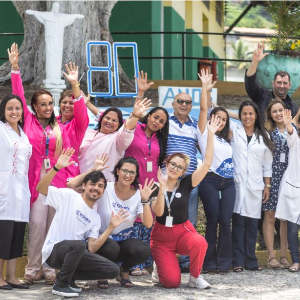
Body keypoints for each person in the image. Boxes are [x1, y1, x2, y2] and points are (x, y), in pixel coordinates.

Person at [8, 43, 75, 285]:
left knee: (54, 226)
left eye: (50, 104)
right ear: (34, 107)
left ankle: (49, 270)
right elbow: (17, 95)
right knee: (36, 226)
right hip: (36, 182)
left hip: (57, 181)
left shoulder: (61, 128)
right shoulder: (28, 124)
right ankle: (31, 270)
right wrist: (15, 68)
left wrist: (70, 182)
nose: (48, 107)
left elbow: (69, 156)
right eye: (42, 104)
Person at [136, 71, 207, 271]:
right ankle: (161, 261)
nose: (184, 105)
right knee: (160, 219)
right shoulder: (165, 124)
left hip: (189, 182)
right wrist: (140, 93)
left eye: (187, 102)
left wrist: (205, 88)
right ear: (173, 104)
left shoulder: (195, 125)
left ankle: (185, 262)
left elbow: (204, 109)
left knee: (187, 220)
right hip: (166, 182)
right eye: (180, 102)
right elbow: (139, 117)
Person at [36, 149, 127, 297]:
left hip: (75, 254)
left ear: (103, 191)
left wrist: (111, 227)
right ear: (84, 186)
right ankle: (61, 285)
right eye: (93, 184)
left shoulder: (95, 217)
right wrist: (56, 168)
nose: (96, 188)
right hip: (54, 252)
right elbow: (40, 188)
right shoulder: (69, 196)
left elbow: (92, 247)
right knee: (78, 244)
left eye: (100, 186)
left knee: (112, 270)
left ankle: (69, 278)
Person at [150, 114, 221, 289]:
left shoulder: (186, 183)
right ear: (167, 163)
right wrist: (161, 187)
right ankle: (159, 266)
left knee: (199, 242)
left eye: (180, 167)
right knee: (172, 283)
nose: (175, 168)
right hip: (162, 238)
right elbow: (159, 213)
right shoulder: (156, 184)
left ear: (183, 171)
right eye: (173, 164)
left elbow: (207, 163)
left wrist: (210, 134)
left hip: (182, 232)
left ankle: (195, 278)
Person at [68, 156, 157, 288]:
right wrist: (93, 170)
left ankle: (124, 270)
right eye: (125, 171)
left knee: (143, 250)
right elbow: (72, 185)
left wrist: (145, 201)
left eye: (132, 172)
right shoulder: (106, 187)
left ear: (136, 175)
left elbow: (148, 224)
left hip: (123, 240)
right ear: (117, 171)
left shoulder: (138, 195)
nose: (128, 175)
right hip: (102, 240)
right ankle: (102, 273)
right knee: (111, 247)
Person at [197, 70, 235, 274]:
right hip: (210, 181)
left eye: (223, 119)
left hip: (229, 182)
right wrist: (205, 88)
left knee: (225, 222)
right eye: (217, 117)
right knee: (212, 221)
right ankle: (209, 263)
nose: (219, 120)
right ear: (211, 118)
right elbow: (203, 108)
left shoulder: (228, 138)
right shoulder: (204, 132)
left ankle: (224, 262)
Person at [124, 106, 169, 276]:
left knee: (148, 224)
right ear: (148, 116)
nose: (157, 122)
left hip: (151, 185)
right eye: (155, 117)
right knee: (133, 223)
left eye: (161, 121)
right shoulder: (136, 128)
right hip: (131, 183)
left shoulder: (161, 139)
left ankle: (144, 264)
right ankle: (132, 264)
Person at [231, 100, 273, 272]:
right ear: (240, 115)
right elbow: (222, 113)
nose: (247, 116)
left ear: (256, 116)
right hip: (236, 184)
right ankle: (238, 261)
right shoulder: (233, 131)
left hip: (256, 185)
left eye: (250, 113)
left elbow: (267, 165)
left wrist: (267, 186)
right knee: (238, 223)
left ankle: (251, 261)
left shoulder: (264, 137)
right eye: (244, 113)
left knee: (252, 224)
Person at [0, 95, 32, 290]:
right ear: (3, 111)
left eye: (17, 108)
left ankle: (11, 276)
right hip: (4, 191)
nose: (14, 112)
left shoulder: (22, 133)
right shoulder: (0, 130)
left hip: (21, 191)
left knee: (17, 234)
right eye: (9, 108)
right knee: (3, 235)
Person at [79, 98, 152, 182]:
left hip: (104, 185)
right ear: (101, 119)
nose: (110, 122)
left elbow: (127, 129)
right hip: (81, 182)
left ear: (119, 125)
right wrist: (87, 103)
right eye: (107, 118)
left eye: (114, 120)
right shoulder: (88, 133)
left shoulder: (117, 139)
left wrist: (135, 116)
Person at [263, 99, 291, 269]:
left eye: (280, 110)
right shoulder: (267, 131)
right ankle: (271, 256)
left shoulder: (292, 129)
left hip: (288, 177)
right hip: (271, 177)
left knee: (285, 218)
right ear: (270, 115)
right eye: (275, 111)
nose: (278, 113)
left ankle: (283, 256)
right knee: (270, 216)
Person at [26, 2, 84, 84]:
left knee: (58, 57)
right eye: (55, 6)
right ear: (52, 7)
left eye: (58, 7)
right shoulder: (47, 16)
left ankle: (56, 76)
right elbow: (40, 14)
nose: (56, 8)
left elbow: (69, 17)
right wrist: (33, 12)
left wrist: (76, 16)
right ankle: (50, 76)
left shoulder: (61, 17)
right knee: (50, 58)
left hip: (58, 40)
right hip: (50, 39)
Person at [275, 109, 300, 273]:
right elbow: (291, 133)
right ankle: (296, 261)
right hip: (294, 190)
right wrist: (289, 124)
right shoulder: (296, 141)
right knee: (292, 228)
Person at [245, 42, 298, 117]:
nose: (282, 86)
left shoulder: (293, 107)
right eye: (279, 82)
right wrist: (255, 62)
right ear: (273, 83)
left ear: (290, 85)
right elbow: (250, 83)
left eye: (285, 83)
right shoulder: (261, 96)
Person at [56, 62, 89, 175]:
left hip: (69, 169)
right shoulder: (52, 121)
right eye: (64, 102)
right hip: (51, 167)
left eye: (71, 103)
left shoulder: (79, 124)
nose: (67, 105)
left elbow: (80, 107)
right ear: (59, 105)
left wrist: (75, 84)